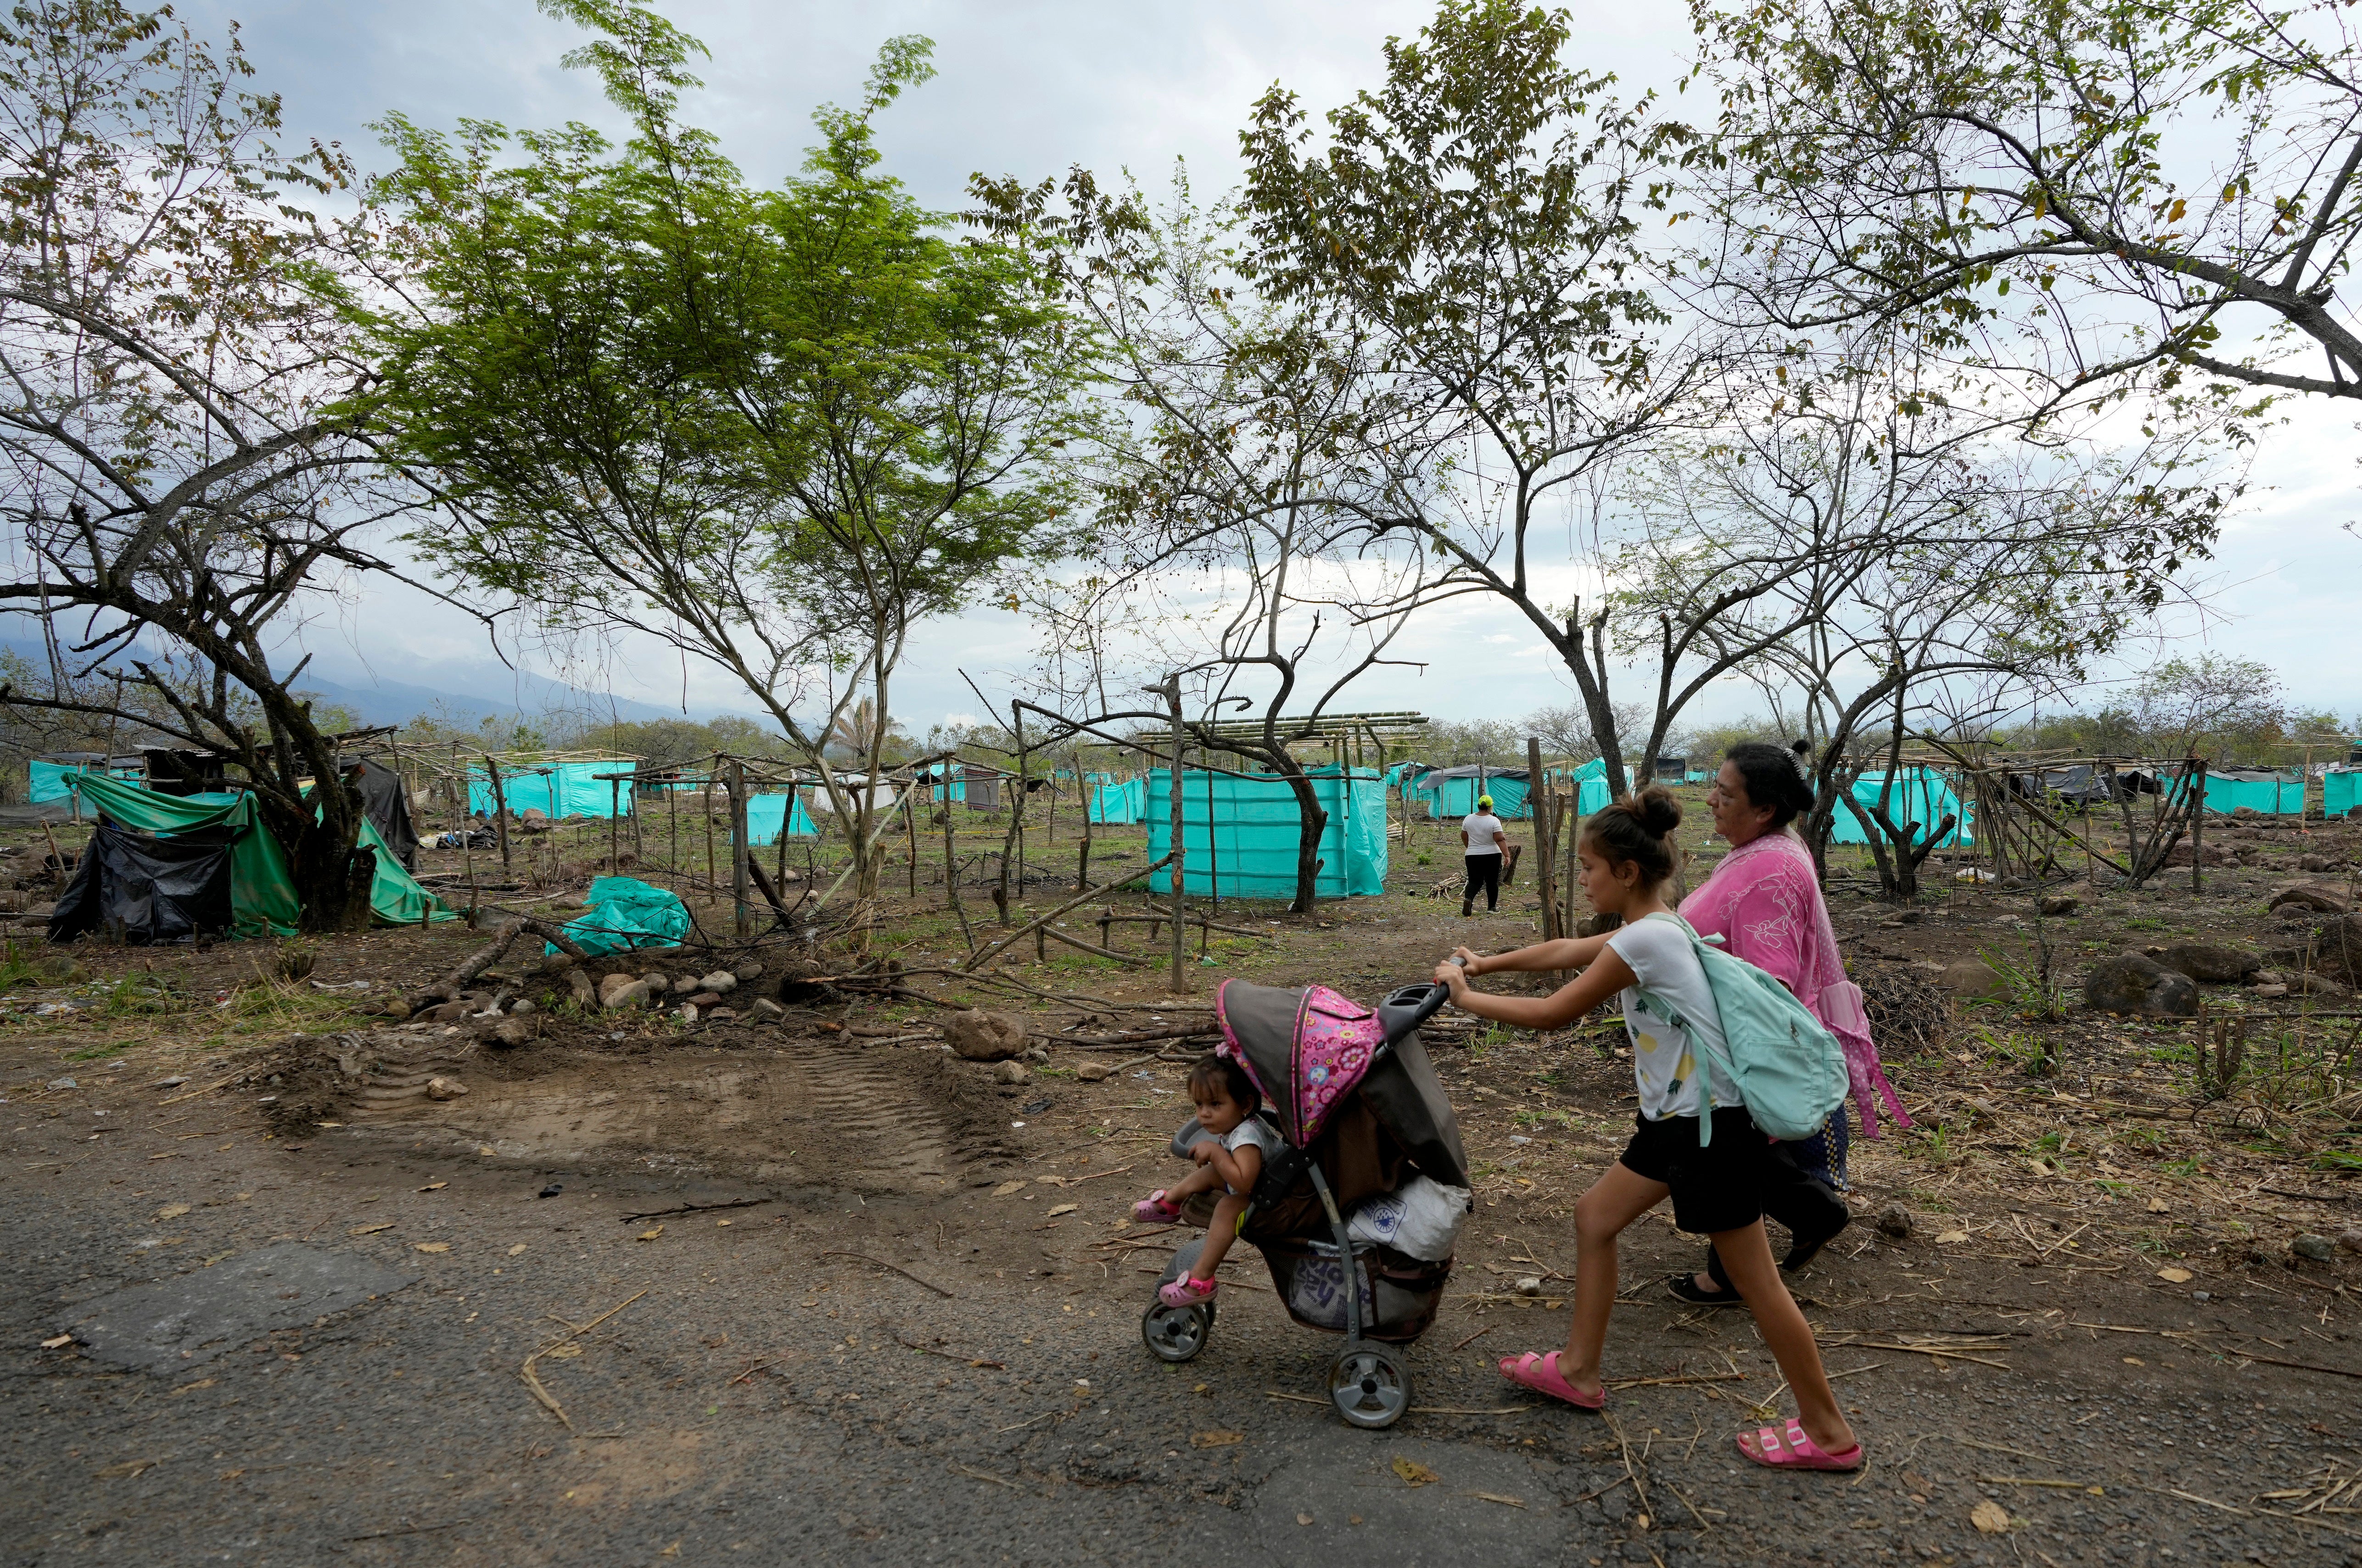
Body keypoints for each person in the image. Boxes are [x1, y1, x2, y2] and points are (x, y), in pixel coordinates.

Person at [1432, 787, 1864, 1471]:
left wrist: (1464, 998)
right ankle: (1577, 1370)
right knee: (1595, 1218)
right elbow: (1566, 950)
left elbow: (1555, 1013)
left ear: (1626, 872)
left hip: (1707, 1128)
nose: (1583, 877)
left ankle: (1829, 1431)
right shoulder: (1657, 928)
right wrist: (1486, 963)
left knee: (1755, 1282)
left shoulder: (1647, 940)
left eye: (1589, 867)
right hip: (1675, 1122)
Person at [1666, 741, 1906, 1303]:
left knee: (1725, 1149)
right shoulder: (1771, 846)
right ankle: (1803, 1214)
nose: (1710, 801)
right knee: (1725, 1147)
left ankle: (1744, 1262)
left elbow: (1768, 975)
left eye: (1725, 794)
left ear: (1764, 808)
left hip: (1747, 1038)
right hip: (1734, 1036)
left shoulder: (1770, 865)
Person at [1133, 1055, 1281, 1307]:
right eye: (1199, 1104)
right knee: (1211, 1172)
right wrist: (1219, 1158)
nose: (1204, 1114)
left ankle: (1201, 1281)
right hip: (1266, 1185)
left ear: (1245, 1104)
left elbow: (1245, 1184)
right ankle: (1169, 1204)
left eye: (1215, 1104)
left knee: (1227, 1207)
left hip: (1274, 1198)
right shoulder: (1240, 1125)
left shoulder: (1247, 1137)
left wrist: (1216, 1152)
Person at [1459, 793, 1509, 916]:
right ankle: (1492, 908)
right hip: (1492, 855)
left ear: (1478, 806)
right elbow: (1500, 839)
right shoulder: (1494, 821)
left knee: (1474, 881)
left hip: (1472, 855)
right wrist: (1507, 855)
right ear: (1490, 807)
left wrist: (1471, 848)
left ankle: (1469, 900)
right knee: (1492, 882)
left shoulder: (1468, 819)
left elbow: (1464, 837)